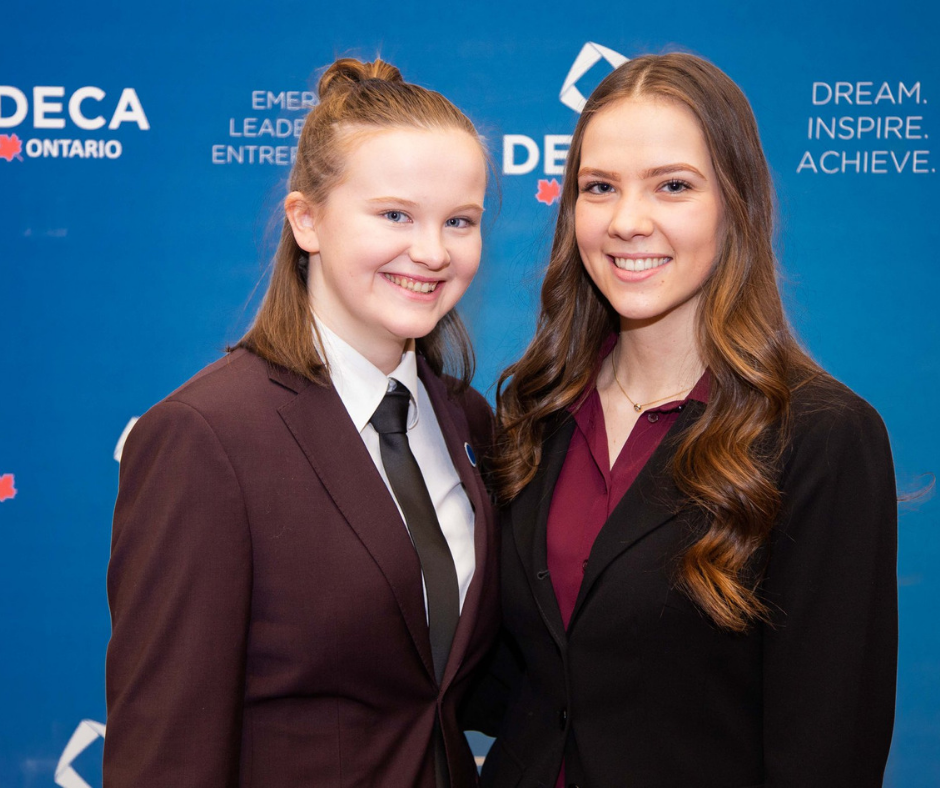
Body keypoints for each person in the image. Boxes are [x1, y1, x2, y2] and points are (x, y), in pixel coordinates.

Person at [472, 53, 898, 788]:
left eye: (673, 186)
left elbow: (826, 750)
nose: (628, 222)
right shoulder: (533, 411)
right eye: (599, 188)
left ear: (737, 203)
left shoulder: (822, 436)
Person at [105, 58, 498, 788]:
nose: (433, 251)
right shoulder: (206, 437)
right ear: (306, 220)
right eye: (395, 215)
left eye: (460, 222)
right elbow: (165, 748)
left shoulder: (466, 421)